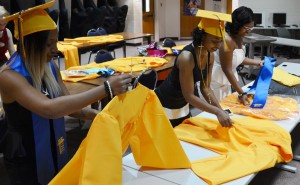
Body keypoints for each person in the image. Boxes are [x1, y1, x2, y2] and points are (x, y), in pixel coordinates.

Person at [0, 1, 132, 185]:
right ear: (30, 45)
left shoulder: (49, 66)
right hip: (25, 156)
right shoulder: (9, 76)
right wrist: (106, 89)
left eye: (56, 42)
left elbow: (67, 104)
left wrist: (98, 116)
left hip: (54, 143)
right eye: (49, 44)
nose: (55, 50)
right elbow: (49, 109)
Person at [155, 10, 233, 128]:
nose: (218, 46)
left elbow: (205, 88)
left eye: (221, 41)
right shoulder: (187, 57)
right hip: (165, 103)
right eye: (214, 41)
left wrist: (221, 110)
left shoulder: (209, 54)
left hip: (183, 103)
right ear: (202, 36)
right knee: (168, 140)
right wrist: (216, 112)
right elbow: (189, 95)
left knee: (183, 137)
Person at [211, 6, 263, 104]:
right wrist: (241, 93)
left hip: (226, 81)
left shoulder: (238, 36)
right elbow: (227, 69)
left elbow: (238, 58)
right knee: (218, 110)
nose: (248, 31)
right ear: (237, 24)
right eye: (247, 28)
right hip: (216, 82)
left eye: (251, 28)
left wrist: (257, 63)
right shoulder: (227, 40)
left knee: (227, 108)